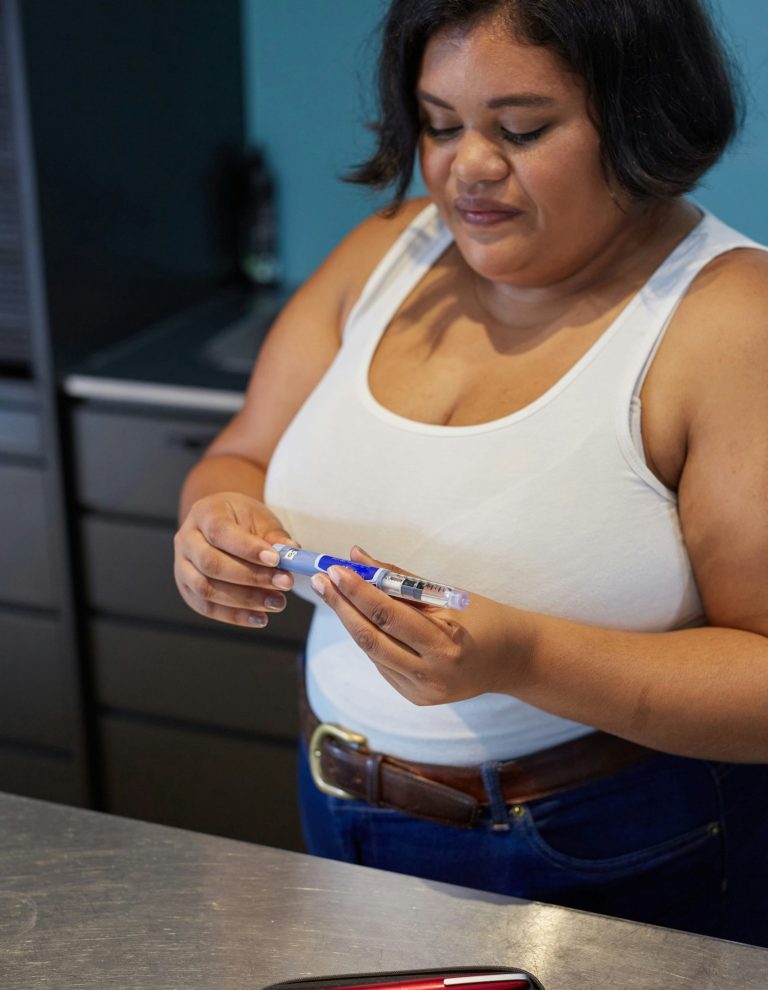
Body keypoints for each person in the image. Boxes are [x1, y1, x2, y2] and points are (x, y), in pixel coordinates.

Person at [174, 0, 768, 945]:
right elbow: (243, 451)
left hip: (601, 847)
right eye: (440, 124)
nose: (468, 166)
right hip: (336, 796)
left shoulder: (728, 320)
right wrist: (215, 521)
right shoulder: (387, 251)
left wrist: (520, 659)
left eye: (522, 129)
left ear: (639, 115)